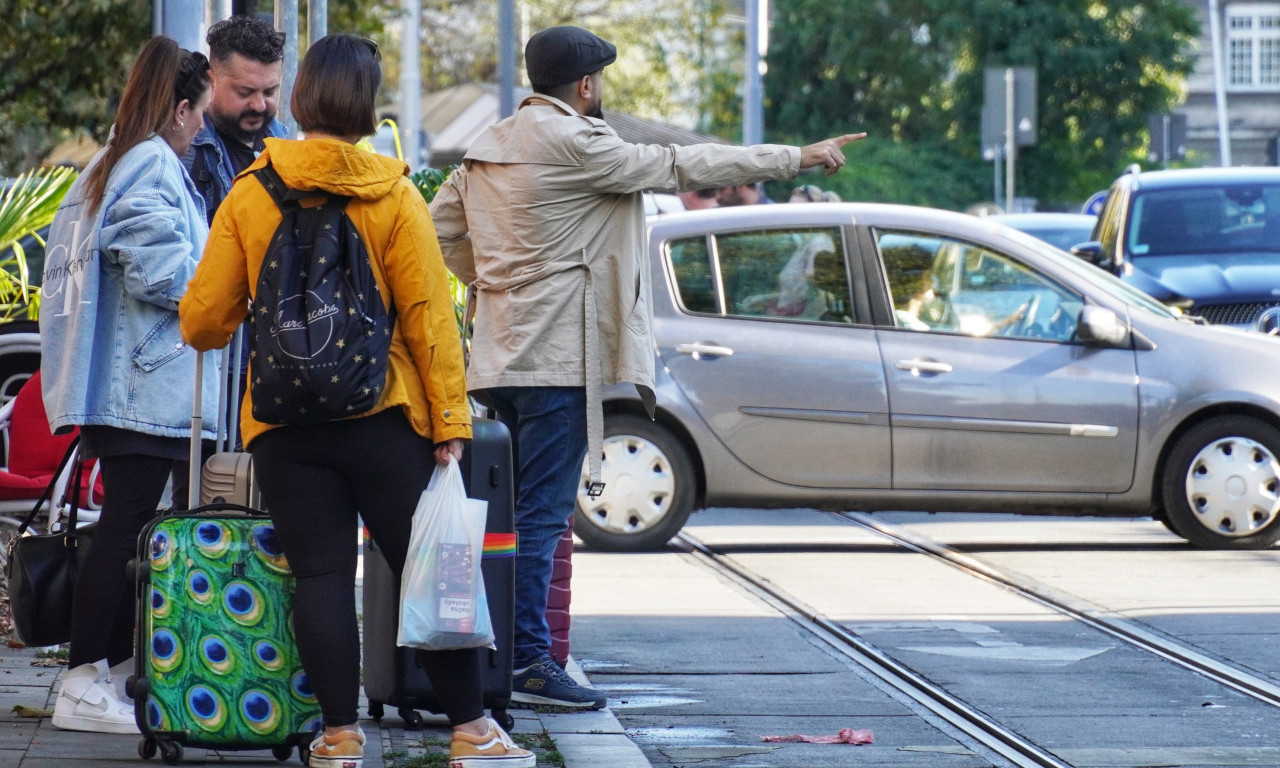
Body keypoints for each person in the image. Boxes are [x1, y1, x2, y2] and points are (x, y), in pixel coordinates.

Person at [429, 24, 864, 711]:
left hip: (498, 357)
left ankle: (493, 656)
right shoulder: (582, 143)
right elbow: (685, 166)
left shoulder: (487, 149)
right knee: (543, 518)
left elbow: (439, 231)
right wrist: (800, 157)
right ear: (585, 85)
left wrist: (498, 285)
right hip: (556, 361)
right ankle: (530, 664)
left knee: (504, 517)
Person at [179, 35, 534, 768]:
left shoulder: (251, 190)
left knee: (319, 577)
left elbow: (203, 320)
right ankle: (471, 732)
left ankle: (338, 737)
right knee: (426, 573)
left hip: (283, 426)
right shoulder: (394, 193)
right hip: (386, 419)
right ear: (367, 107)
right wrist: (450, 424)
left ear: (301, 98)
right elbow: (430, 318)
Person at [39, 36, 215, 734]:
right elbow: (150, 260)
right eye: (199, 112)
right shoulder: (150, 163)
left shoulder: (111, 164)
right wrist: (219, 298)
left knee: (128, 530)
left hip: (125, 379)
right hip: (144, 383)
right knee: (126, 533)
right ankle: (85, 682)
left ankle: (103, 677)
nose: (202, 126)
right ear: (177, 109)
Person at [186, 14, 288, 224]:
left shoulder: (284, 145)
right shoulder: (183, 153)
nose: (259, 105)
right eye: (245, 92)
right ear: (210, 81)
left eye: (269, 92)